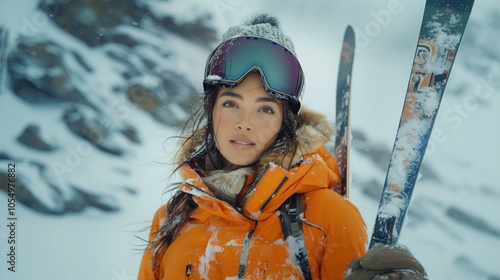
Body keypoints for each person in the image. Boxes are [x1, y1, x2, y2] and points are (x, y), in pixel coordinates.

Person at [138, 14, 428, 280]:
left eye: (265, 109)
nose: (245, 124)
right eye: (231, 104)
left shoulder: (329, 217)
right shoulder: (172, 218)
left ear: (285, 123)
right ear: (210, 111)